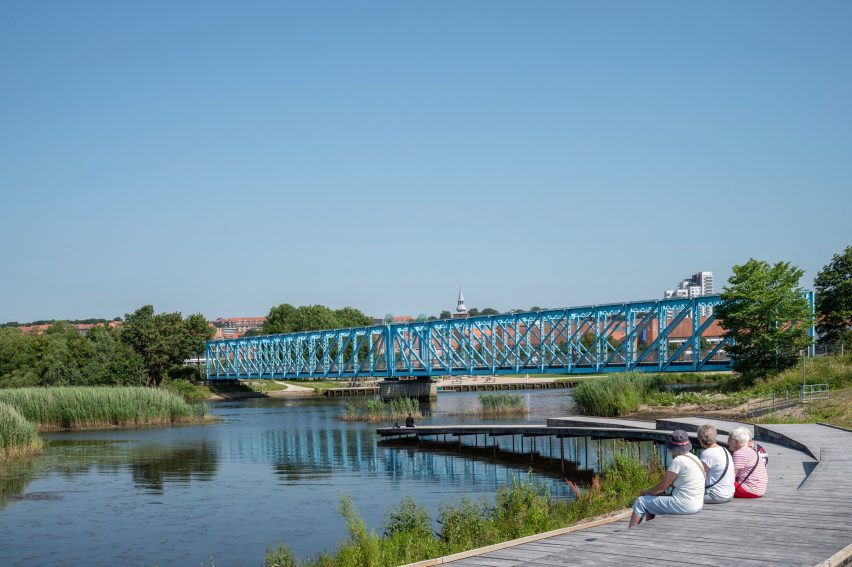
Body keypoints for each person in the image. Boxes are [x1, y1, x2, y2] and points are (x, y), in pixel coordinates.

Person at [629, 430, 706, 527]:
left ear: (674, 448)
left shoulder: (678, 461)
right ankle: (648, 528)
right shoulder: (695, 458)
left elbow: (662, 487)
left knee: (641, 501)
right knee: (652, 500)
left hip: (686, 504)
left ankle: (631, 530)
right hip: (698, 503)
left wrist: (646, 492)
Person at [697, 424, 735, 504]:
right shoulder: (725, 450)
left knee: (686, 497)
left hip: (716, 496)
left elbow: (701, 476)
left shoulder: (707, 454)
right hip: (730, 494)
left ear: (701, 440)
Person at [729, 426, 768, 498]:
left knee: (720, 485)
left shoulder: (739, 453)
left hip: (749, 490)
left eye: (730, 439)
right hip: (760, 489)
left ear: (737, 442)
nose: (728, 442)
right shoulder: (752, 451)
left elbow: (731, 476)